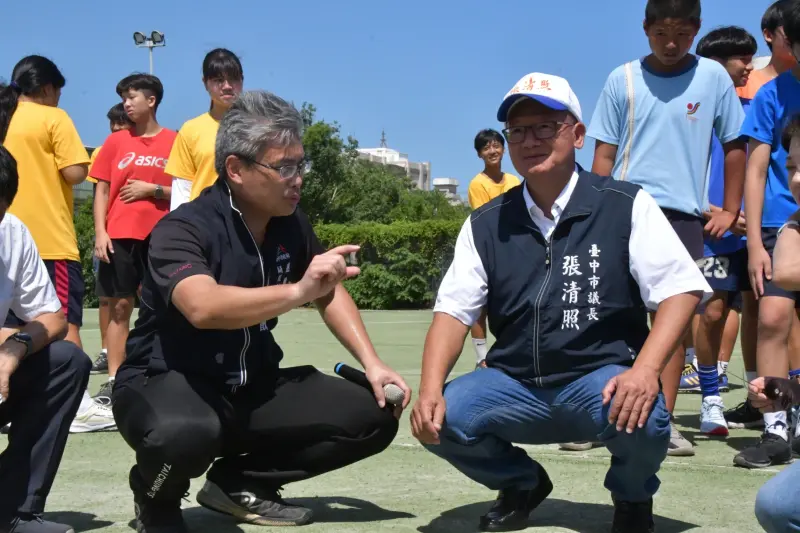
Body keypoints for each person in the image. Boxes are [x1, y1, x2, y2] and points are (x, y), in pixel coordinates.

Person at [410, 72, 710, 533]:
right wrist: (431, 387)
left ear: (578, 134)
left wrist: (645, 371)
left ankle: (631, 497)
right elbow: (454, 311)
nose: (530, 141)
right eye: (518, 131)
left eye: (545, 127)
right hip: (514, 384)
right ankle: (522, 482)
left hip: (599, 381)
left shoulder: (625, 204)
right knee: (438, 416)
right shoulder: (486, 222)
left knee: (647, 415)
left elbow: (679, 290)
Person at [111, 90, 411, 532]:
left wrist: (372, 363)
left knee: (373, 415)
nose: (298, 178)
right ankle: (155, 498)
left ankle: (238, 484)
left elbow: (327, 291)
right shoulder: (183, 228)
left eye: (300, 164)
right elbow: (202, 306)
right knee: (185, 435)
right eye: (284, 167)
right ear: (236, 169)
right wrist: (296, 291)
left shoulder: (291, 223)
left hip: (251, 385)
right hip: (168, 382)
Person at [587, 0, 746, 456]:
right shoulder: (623, 79)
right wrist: (594, 209)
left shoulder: (714, 78)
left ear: (696, 30)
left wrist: (730, 209)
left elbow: (735, 144)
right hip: (622, 210)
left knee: (671, 323)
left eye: (681, 33)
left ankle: (664, 421)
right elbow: (603, 153)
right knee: (609, 316)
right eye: (661, 33)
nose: (671, 43)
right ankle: (596, 418)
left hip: (681, 217)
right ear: (645, 29)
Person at [0, 145, 92, 533]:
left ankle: (13, 509)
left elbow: (52, 317)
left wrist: (14, 349)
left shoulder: (11, 231)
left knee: (67, 362)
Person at [724, 0, 799, 434]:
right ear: (786, 39)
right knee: (771, 318)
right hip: (777, 226)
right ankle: (774, 427)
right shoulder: (771, 93)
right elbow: (754, 170)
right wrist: (753, 242)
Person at [678, 26, 757, 436]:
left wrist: (750, 213)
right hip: (709, 229)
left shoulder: (753, 106)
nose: (748, 66)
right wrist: (719, 210)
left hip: (757, 232)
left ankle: (770, 404)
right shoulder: (691, 109)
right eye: (742, 58)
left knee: (766, 316)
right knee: (709, 311)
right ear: (715, 63)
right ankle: (711, 397)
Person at [90, 74, 176, 405]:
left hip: (163, 236)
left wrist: (153, 190)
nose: (126, 103)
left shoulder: (175, 141)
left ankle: (162, 373)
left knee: (163, 308)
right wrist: (101, 231)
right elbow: (102, 189)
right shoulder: (115, 143)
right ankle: (116, 379)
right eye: (124, 98)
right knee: (120, 307)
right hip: (119, 236)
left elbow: (188, 189)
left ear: (151, 100)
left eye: (132, 97)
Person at [0, 55, 90, 350]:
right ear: (47, 89)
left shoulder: (5, 116)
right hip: (49, 241)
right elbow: (75, 173)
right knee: (64, 324)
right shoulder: (54, 117)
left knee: (8, 327)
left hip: (6, 238)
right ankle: (75, 397)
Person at [466, 129, 521, 367]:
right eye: (486, 148)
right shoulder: (477, 184)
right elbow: (486, 219)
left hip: (515, 248)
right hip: (488, 249)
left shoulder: (514, 181)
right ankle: (481, 359)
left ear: (504, 148)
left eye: (496, 145)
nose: (492, 151)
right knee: (480, 306)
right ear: (479, 154)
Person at [86, 102, 134, 376]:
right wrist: (99, 233)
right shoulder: (105, 153)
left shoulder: (144, 150)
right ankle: (107, 351)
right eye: (112, 125)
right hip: (109, 236)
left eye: (121, 124)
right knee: (108, 299)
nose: (115, 130)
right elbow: (99, 195)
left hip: (140, 236)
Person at [167, 48, 244, 210]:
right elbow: (182, 189)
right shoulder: (190, 130)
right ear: (205, 83)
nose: (227, 86)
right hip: (203, 222)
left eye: (234, 79)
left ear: (242, 80)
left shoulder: (260, 127)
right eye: (218, 80)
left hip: (251, 224)